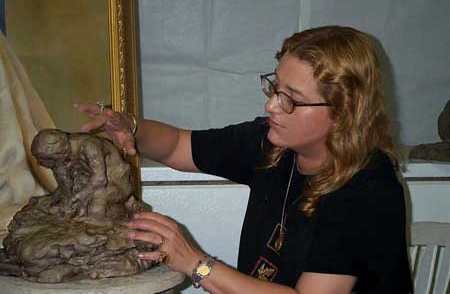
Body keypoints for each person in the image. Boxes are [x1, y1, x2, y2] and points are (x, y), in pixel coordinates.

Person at [75, 26, 413, 294]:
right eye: (274, 87)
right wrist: (130, 127)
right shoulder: (272, 143)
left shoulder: (368, 189)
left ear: (342, 112)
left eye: (290, 99)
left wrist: (194, 261)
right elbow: (178, 145)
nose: (271, 106)